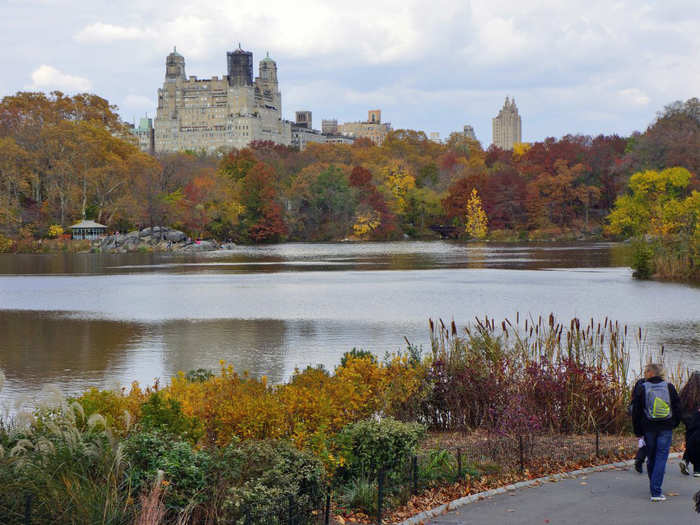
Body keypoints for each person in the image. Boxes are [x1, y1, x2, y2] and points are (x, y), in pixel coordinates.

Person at [632, 363, 681, 502]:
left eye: (646, 371)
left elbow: (636, 411)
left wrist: (638, 431)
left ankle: (654, 488)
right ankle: (656, 491)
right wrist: (674, 423)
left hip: (648, 427)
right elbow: (677, 407)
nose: (645, 374)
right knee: (661, 458)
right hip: (666, 427)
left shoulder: (643, 387)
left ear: (651, 373)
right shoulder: (669, 387)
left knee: (651, 457)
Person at [679, 371, 700, 476]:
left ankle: (686, 460)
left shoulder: (684, 392)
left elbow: (678, 405)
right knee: (696, 443)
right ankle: (697, 469)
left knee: (691, 440)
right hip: (697, 421)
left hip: (686, 420)